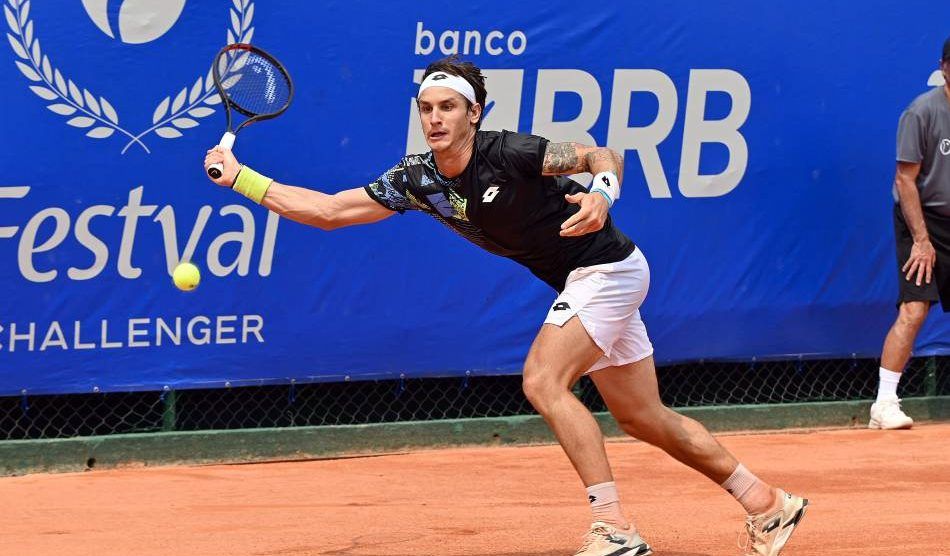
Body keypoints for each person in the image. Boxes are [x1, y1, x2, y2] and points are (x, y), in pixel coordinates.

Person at [203, 56, 807, 556]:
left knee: (543, 381)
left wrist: (602, 194)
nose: (434, 118)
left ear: (474, 114)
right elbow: (330, 211)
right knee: (644, 418)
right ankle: (769, 504)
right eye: (426, 108)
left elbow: (603, 154)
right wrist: (242, 180)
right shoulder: (417, 179)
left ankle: (615, 527)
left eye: (448, 108)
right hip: (586, 279)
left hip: (607, 269)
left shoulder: (511, 152)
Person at [873, 36, 950, 431]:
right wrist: (922, 240)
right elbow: (905, 180)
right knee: (915, 309)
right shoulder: (921, 113)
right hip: (922, 218)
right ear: (944, 67)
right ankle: (884, 403)